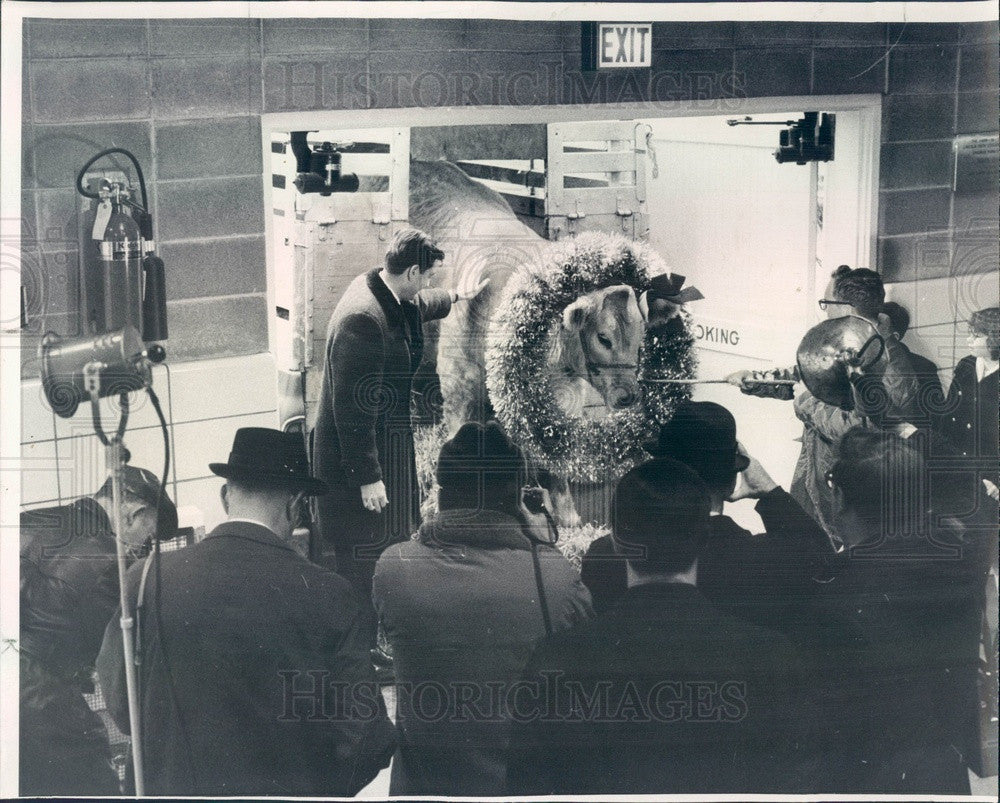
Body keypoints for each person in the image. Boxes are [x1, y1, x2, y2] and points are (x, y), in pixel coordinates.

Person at [96, 428, 395, 796]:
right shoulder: (330, 594)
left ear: (225, 496)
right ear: (296, 505)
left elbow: (121, 705)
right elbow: (365, 738)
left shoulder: (143, 580)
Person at [508, 458, 813, 795]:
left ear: (616, 541)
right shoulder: (772, 657)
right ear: (704, 539)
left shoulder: (557, 660)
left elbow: (526, 790)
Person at [372, 421, 593, 796]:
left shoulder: (393, 568)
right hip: (518, 789)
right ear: (518, 497)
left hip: (426, 790)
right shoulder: (557, 579)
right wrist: (540, 540)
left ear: (440, 494)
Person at [312, 227, 486, 640]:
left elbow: (421, 304)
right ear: (410, 272)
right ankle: (363, 649)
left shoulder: (382, 287)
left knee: (382, 547)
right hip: (353, 463)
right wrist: (368, 477)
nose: (428, 285)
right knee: (364, 557)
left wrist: (459, 295)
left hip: (382, 446)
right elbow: (351, 410)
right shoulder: (363, 321)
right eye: (426, 276)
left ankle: (374, 639)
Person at [805, 427, 990, 794]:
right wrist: (911, 441)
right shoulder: (962, 558)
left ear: (839, 498)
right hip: (944, 773)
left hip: (870, 779)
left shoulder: (836, 592)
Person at [581, 402, 836, 631]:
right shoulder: (765, 559)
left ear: (662, 470)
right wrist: (770, 492)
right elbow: (824, 560)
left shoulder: (603, 555)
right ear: (732, 476)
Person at [20, 463, 177, 796]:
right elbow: (115, 666)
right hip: (38, 701)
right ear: (133, 513)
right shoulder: (109, 562)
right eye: (146, 540)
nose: (141, 550)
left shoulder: (31, 519)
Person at [729, 265, 919, 541]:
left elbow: (858, 430)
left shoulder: (891, 367)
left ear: (846, 307)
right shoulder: (852, 342)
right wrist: (755, 380)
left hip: (846, 495)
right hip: (814, 477)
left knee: (819, 562)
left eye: (826, 303)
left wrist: (805, 402)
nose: (825, 312)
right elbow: (809, 376)